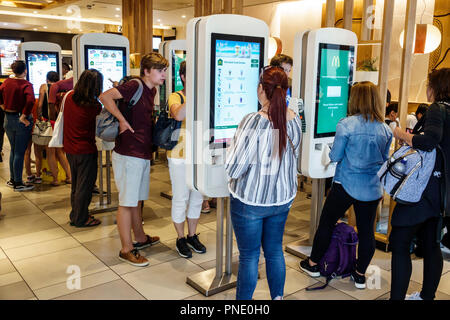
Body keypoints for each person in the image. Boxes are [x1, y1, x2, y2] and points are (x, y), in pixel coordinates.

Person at [300, 81, 393, 290]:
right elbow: (385, 159)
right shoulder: (386, 130)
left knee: (326, 222)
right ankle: (359, 275)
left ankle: (313, 264)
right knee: (367, 231)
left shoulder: (346, 124)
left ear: (354, 99)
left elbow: (335, 156)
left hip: (345, 184)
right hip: (371, 187)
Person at [226, 66, 302, 300]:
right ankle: (277, 298)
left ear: (261, 89)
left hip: (251, 200)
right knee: (274, 251)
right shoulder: (295, 119)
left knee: (249, 257)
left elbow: (235, 167)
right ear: (285, 91)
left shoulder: (254, 122)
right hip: (282, 199)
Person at [99, 52, 166, 267]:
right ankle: (126, 249)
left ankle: (140, 237)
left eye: (164, 70)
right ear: (147, 71)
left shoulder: (152, 90)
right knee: (127, 202)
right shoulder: (135, 86)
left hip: (141, 152)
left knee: (136, 199)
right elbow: (105, 96)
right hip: (129, 153)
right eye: (160, 70)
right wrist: (121, 120)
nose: (164, 74)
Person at [390, 68, 450, 300]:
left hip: (422, 189)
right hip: (442, 193)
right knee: (431, 243)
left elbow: (429, 141)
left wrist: (400, 134)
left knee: (400, 243)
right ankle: (426, 296)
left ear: (435, 87)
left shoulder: (437, 109)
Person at [167, 61, 206, 258]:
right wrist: (192, 92)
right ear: (183, 77)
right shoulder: (176, 96)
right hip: (179, 155)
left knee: (197, 197)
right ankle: (180, 238)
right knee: (181, 197)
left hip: (200, 153)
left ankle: (192, 235)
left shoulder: (205, 96)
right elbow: (177, 114)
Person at [63, 69, 103, 228]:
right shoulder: (94, 106)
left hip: (70, 148)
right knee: (85, 186)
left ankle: (76, 214)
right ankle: (81, 218)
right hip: (86, 149)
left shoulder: (69, 97)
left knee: (76, 185)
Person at [0, 61, 35, 191]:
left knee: (14, 150)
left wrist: (4, 107)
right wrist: (23, 116)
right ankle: (19, 183)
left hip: (7, 119)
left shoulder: (6, 83)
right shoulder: (26, 84)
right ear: (25, 70)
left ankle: (13, 179)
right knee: (19, 151)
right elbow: (30, 100)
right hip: (20, 119)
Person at [47, 76, 72, 185]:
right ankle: (69, 176)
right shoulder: (73, 87)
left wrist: (52, 121)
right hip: (67, 121)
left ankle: (55, 179)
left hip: (55, 122)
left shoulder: (51, 87)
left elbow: (50, 105)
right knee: (61, 151)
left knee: (51, 152)